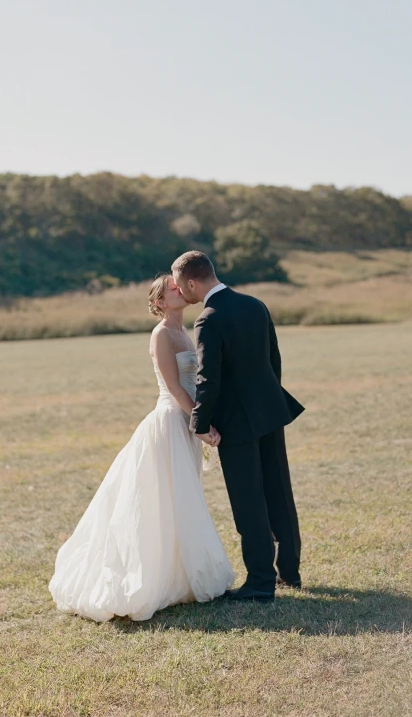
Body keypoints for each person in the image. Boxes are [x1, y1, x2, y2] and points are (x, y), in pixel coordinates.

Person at [48, 274, 235, 621]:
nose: (179, 289)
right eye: (172, 289)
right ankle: (154, 578)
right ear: (160, 301)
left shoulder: (187, 330)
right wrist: (201, 423)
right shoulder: (162, 334)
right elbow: (175, 388)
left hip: (186, 422)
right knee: (163, 499)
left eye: (180, 286)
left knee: (183, 497)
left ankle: (181, 574)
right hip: (170, 422)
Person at [171, 251, 305, 601]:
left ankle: (261, 583)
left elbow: (208, 380)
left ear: (191, 283)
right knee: (279, 491)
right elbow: (274, 359)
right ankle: (289, 572)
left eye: (178, 285)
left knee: (249, 502)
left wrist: (200, 423)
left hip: (237, 422)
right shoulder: (255, 304)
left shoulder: (209, 318)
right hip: (270, 410)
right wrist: (269, 401)